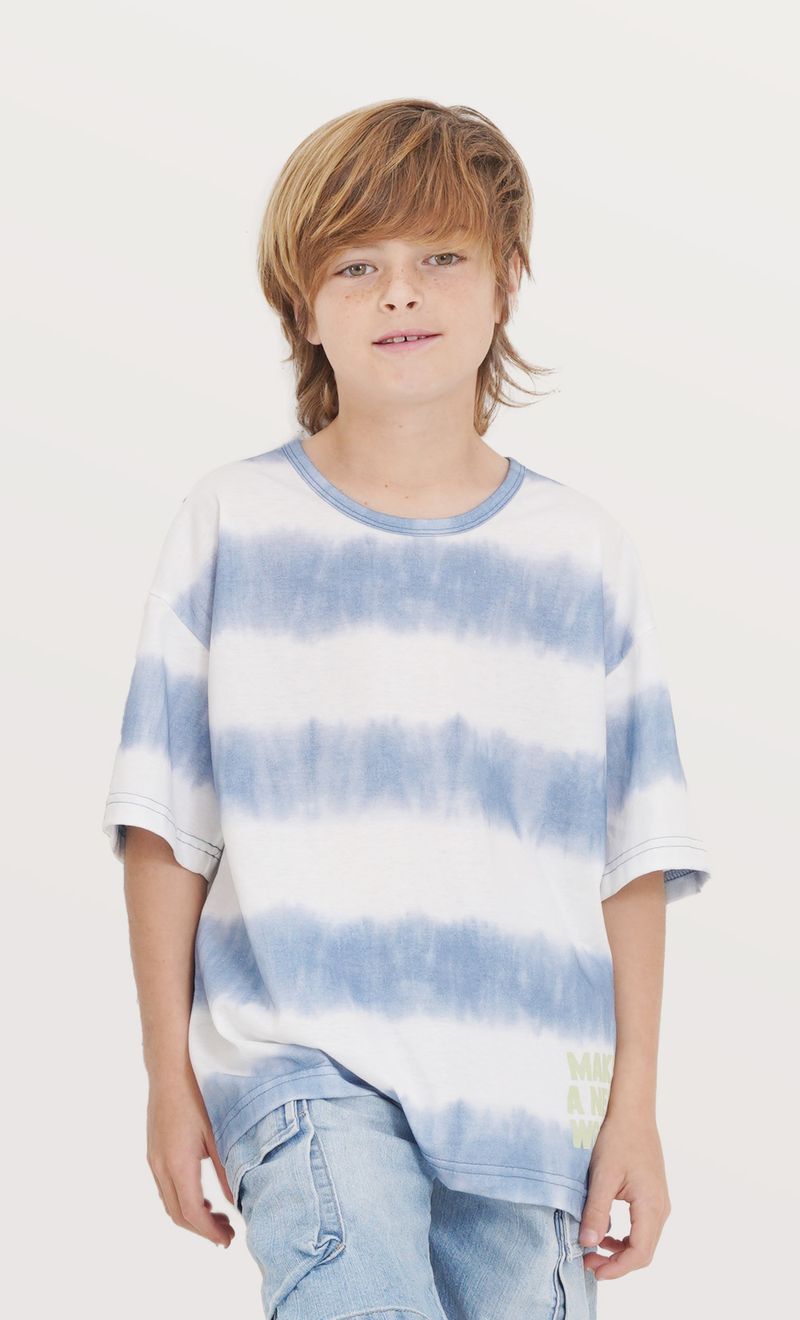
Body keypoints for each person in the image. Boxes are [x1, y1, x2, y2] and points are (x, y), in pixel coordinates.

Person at [102, 98, 712, 1319]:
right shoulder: (232, 526)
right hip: (300, 1069)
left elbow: (630, 856)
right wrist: (169, 1078)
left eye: (440, 256)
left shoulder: (579, 553)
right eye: (355, 265)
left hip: (529, 1102)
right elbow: (167, 823)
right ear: (301, 305)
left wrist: (633, 1107)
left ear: (504, 283)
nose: (398, 293)